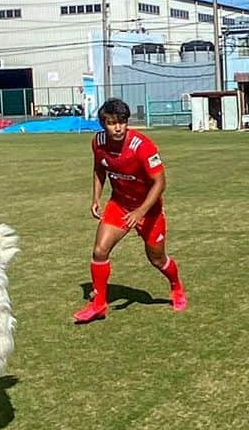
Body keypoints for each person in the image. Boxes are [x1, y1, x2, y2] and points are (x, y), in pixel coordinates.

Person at [73, 98, 187, 324]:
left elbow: (160, 183)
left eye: (122, 122)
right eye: (111, 123)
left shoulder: (143, 147)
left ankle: (176, 286)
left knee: (157, 259)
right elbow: (99, 168)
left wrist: (140, 212)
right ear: (102, 124)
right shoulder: (98, 142)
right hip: (120, 205)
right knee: (99, 250)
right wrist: (96, 197)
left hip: (149, 210)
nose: (117, 128)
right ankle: (99, 304)